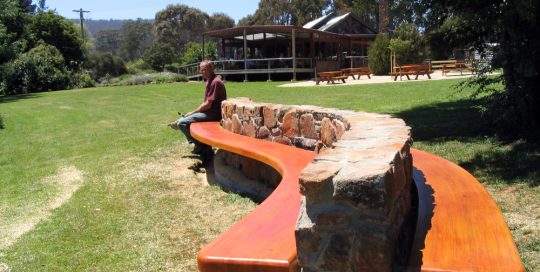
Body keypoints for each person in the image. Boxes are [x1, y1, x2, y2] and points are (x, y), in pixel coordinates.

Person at [169, 60, 227, 158]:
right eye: (201, 70)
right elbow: (206, 103)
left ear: (211, 69)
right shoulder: (210, 80)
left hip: (214, 114)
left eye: (205, 70)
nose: (203, 72)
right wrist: (192, 113)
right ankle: (179, 123)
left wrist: (193, 112)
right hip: (209, 112)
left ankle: (201, 146)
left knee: (182, 123)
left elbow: (208, 104)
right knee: (184, 120)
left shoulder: (215, 82)